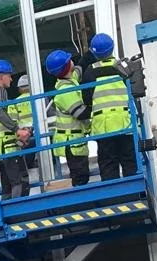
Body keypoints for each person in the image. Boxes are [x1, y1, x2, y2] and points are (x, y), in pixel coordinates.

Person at [84, 33, 138, 181]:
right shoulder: (123, 68)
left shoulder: (90, 71)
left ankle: (112, 198)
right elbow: (135, 91)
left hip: (103, 126)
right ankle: (133, 191)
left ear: (93, 52)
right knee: (129, 160)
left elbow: (86, 98)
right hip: (124, 122)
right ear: (112, 47)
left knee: (108, 163)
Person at [0, 59, 31, 199]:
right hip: (7, 146)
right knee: (20, 181)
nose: (11, 78)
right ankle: (18, 211)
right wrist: (17, 130)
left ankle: (9, 209)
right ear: (1, 76)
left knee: (7, 184)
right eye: (9, 75)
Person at [45, 49, 92, 186]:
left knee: (81, 175)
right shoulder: (65, 91)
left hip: (74, 141)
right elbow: (81, 113)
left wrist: (89, 53)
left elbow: (78, 69)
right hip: (72, 142)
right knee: (80, 177)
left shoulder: (68, 81)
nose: (73, 61)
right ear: (66, 66)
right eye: (69, 60)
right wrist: (99, 107)